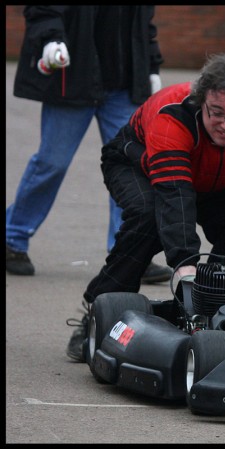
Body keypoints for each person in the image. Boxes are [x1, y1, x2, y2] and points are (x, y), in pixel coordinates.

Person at [66, 53, 225, 361]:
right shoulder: (172, 115)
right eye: (217, 113)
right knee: (148, 219)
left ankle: (221, 310)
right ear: (201, 102)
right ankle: (96, 310)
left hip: (216, 179)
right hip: (137, 164)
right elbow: (174, 197)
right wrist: (184, 265)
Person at [6, 5, 171, 283]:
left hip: (123, 88)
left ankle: (128, 254)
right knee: (51, 163)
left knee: (130, 167)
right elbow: (44, 9)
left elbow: (144, 24)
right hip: (73, 81)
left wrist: (151, 66)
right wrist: (51, 40)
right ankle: (13, 238)